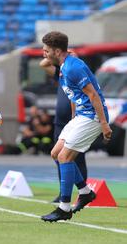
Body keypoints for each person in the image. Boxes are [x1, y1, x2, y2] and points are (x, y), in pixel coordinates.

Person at [40, 31, 112, 222]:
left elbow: (93, 95)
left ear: (56, 51)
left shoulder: (73, 67)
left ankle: (64, 208)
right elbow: (74, 94)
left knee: (64, 156)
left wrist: (104, 124)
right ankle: (85, 192)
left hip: (92, 117)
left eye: (46, 50)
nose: (44, 53)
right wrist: (73, 118)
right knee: (56, 153)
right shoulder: (65, 65)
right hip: (81, 116)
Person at [40, 56, 88, 203]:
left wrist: (71, 58)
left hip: (76, 122)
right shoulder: (61, 72)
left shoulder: (77, 73)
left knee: (77, 158)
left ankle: (82, 193)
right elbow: (43, 64)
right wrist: (58, 57)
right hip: (60, 123)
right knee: (58, 156)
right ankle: (64, 192)